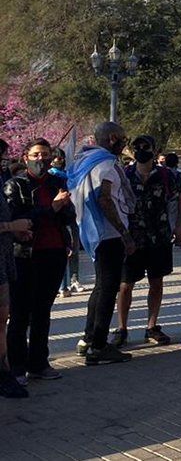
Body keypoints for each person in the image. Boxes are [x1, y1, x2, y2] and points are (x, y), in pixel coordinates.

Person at [3, 139, 74, 387]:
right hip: (25, 255)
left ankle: (39, 363)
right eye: (36, 154)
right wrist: (50, 208)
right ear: (26, 158)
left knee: (43, 311)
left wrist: (63, 207)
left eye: (45, 154)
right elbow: (18, 220)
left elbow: (68, 216)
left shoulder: (57, 182)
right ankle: (17, 365)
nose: (41, 159)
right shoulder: (16, 185)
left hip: (53, 253)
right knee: (21, 312)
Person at [70, 122, 137, 366]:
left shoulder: (85, 161)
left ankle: (89, 338)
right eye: (122, 138)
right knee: (108, 289)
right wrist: (125, 233)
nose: (124, 143)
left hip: (95, 233)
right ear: (111, 138)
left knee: (101, 287)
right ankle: (98, 345)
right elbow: (105, 199)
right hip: (108, 234)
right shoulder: (105, 164)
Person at [110, 135, 181, 348]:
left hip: (159, 235)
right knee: (125, 285)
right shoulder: (124, 174)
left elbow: (178, 199)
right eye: (138, 147)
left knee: (156, 281)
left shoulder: (168, 176)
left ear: (154, 148)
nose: (142, 150)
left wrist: (178, 227)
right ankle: (122, 328)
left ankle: (152, 326)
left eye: (146, 146)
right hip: (131, 237)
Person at [0, 138, 34, 398]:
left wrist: (15, 233)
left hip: (3, 258)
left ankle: (5, 370)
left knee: (3, 318)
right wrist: (14, 227)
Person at [50, 148, 85, 298]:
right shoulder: (51, 177)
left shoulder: (69, 175)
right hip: (59, 219)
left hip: (72, 217)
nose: (59, 160)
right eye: (56, 158)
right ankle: (62, 285)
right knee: (65, 251)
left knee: (74, 250)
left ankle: (74, 279)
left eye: (61, 158)